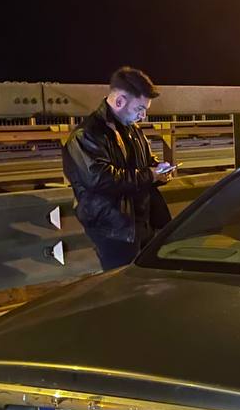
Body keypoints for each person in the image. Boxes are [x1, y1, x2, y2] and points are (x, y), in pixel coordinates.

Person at [63, 66, 175, 269]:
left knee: (147, 283)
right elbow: (101, 179)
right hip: (113, 228)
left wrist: (160, 169)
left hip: (141, 222)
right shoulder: (87, 135)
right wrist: (150, 175)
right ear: (119, 101)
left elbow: (146, 161)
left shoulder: (133, 130)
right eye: (139, 109)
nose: (142, 116)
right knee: (124, 284)